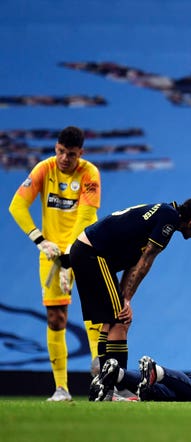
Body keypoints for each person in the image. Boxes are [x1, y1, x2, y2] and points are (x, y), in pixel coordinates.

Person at [69, 194, 191, 378]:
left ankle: (104, 379)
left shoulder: (165, 213)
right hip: (92, 254)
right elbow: (146, 260)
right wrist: (128, 300)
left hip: (88, 253)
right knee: (121, 319)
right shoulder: (169, 219)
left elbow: (134, 262)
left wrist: (124, 296)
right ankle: (115, 385)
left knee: (113, 319)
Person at [8, 126, 102, 401]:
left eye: (70, 154)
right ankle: (61, 388)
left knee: (95, 314)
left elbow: (85, 219)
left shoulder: (89, 173)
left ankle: (101, 378)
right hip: (51, 255)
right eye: (60, 151)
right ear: (56, 148)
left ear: (80, 153)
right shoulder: (44, 169)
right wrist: (41, 241)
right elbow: (16, 205)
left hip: (83, 250)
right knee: (56, 318)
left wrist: (69, 259)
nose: (64, 158)